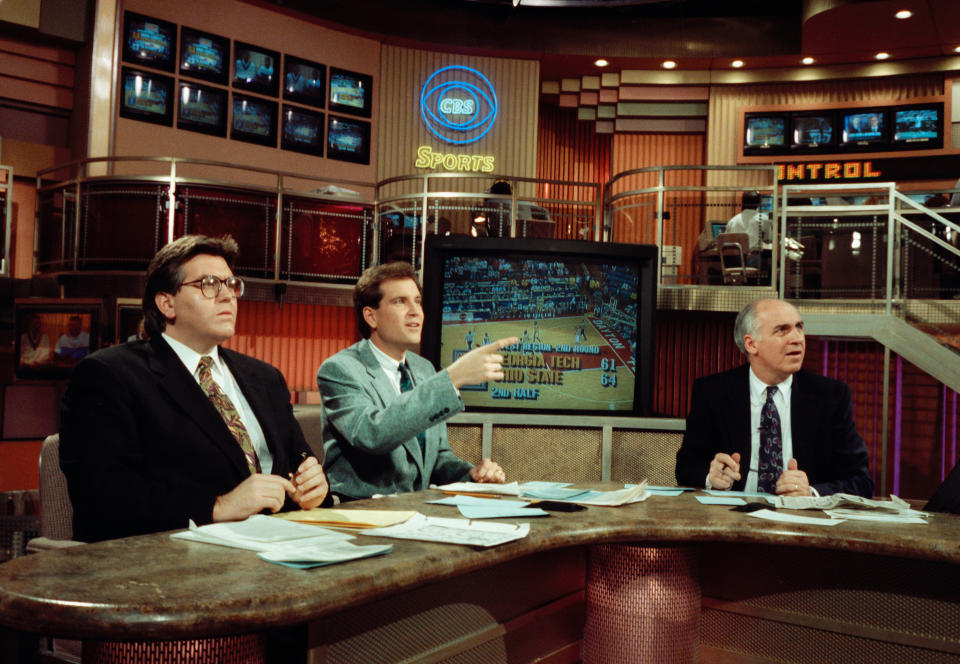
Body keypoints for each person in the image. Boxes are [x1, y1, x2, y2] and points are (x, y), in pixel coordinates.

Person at [60, 235, 328, 542]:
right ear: (167, 303)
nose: (228, 296)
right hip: (168, 562)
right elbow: (100, 495)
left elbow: (299, 460)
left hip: (282, 546)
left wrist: (314, 486)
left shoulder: (265, 378)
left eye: (231, 284)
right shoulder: (108, 375)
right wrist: (216, 506)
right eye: (210, 284)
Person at [318, 262, 513, 501]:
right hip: (361, 514)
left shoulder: (423, 369)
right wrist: (452, 378)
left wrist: (470, 475)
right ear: (371, 317)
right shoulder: (340, 370)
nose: (415, 311)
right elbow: (373, 434)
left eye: (417, 301)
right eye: (400, 301)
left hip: (414, 512)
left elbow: (437, 457)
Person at [675, 299, 873, 497]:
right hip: (732, 513)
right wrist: (711, 477)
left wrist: (811, 492)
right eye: (782, 330)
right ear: (751, 344)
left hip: (800, 518)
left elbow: (861, 480)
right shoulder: (712, 392)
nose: (797, 339)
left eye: (799, 327)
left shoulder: (831, 396)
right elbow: (686, 468)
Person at [725, 191, 771, 256]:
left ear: (742, 202)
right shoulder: (764, 219)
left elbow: (725, 242)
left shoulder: (732, 221)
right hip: (755, 260)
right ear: (758, 204)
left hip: (735, 260)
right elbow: (769, 239)